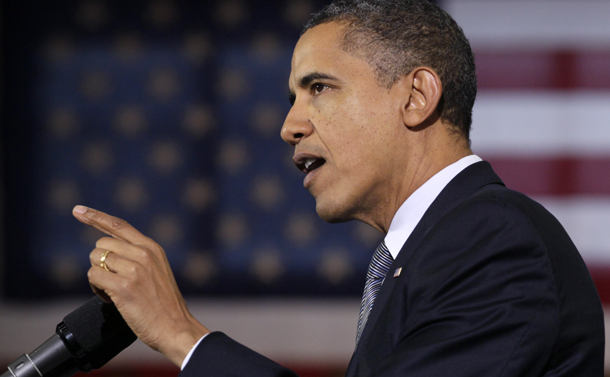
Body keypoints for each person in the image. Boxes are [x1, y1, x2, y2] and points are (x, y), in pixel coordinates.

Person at [72, 0, 605, 376]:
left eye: (319, 88)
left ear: (416, 95)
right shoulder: (430, 250)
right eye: (291, 98)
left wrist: (180, 333)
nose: (290, 126)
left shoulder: (490, 237)